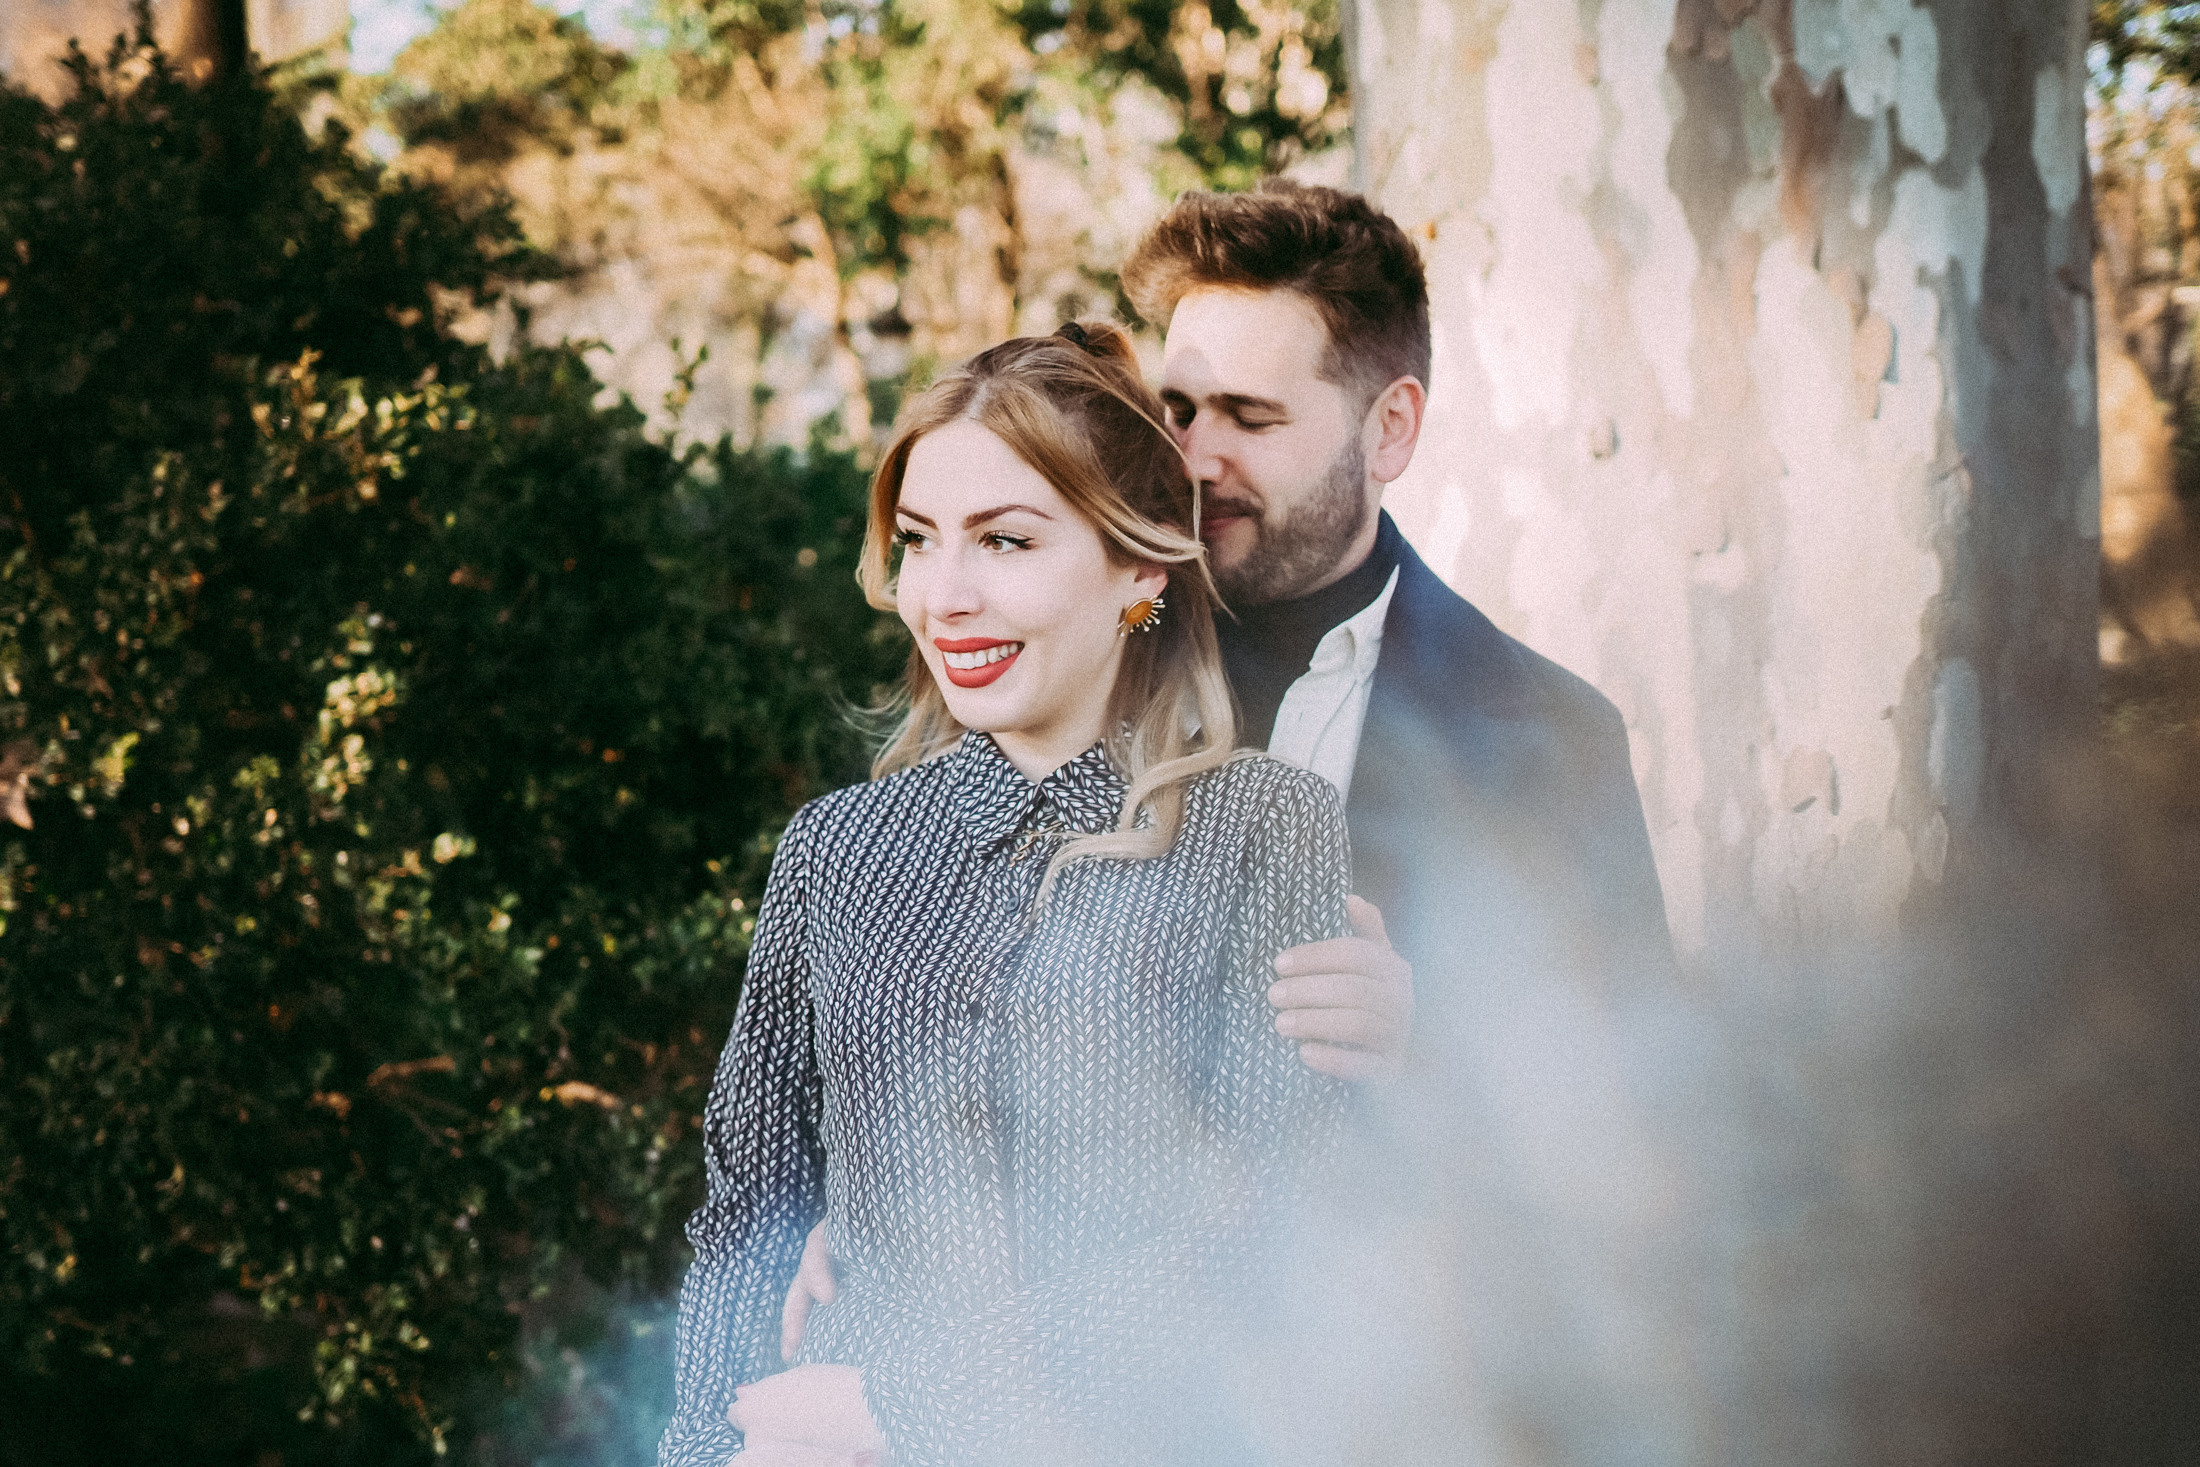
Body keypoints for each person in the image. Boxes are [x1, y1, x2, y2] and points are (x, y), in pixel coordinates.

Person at [776, 180, 1675, 1371]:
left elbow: (1652, 1129)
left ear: (1390, 427)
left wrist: (1432, 1043)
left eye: (1249, 416)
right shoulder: (1056, 653)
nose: (1193, 459)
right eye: (1179, 408)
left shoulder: (1551, 738)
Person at [656, 322, 1355, 1467]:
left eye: (1007, 541)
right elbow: (746, 1215)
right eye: (921, 541)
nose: (946, 596)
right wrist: (703, 1453)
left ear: (1140, 567)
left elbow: (1261, 1221)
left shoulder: (1260, 828)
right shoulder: (836, 850)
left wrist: (901, 1408)